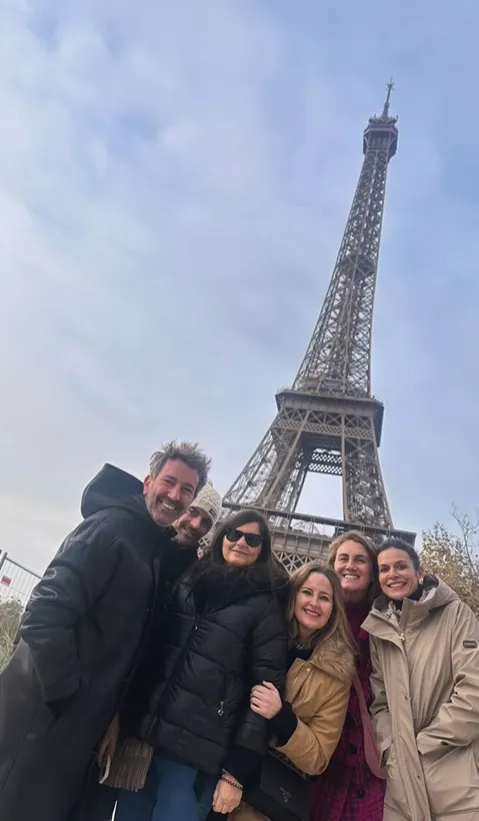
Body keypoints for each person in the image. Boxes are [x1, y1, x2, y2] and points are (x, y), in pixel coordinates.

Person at [0, 441, 211, 821]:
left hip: (73, 724)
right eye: (169, 482)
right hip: (46, 715)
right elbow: (45, 612)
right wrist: (71, 700)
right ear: (148, 482)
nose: (175, 495)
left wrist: (106, 715)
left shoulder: (147, 544)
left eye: (187, 490)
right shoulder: (111, 528)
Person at [109, 510, 289, 821]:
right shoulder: (190, 582)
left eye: (253, 538)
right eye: (234, 533)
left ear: (263, 548)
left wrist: (236, 772)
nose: (241, 542)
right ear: (221, 537)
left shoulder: (265, 606)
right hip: (144, 743)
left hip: (194, 761)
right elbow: (154, 652)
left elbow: (265, 692)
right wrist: (122, 718)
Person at [363, 538, 479, 821]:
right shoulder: (378, 630)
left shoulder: (455, 614)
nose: (393, 574)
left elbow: (474, 691)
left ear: (419, 572)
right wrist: (392, 748)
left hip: (456, 781)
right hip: (401, 788)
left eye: (401, 566)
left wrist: (421, 745)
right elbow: (380, 702)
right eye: (384, 568)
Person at [232, 562, 355, 821]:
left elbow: (319, 757)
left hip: (259, 795)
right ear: (294, 592)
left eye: (324, 598)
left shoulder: (337, 676)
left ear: (334, 609)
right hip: (217, 762)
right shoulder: (259, 632)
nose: (314, 603)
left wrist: (283, 719)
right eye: (307, 592)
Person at [311, 530, 386, 821]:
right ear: (332, 566)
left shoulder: (388, 621)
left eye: (360, 560)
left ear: (373, 572)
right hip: (317, 749)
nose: (350, 565)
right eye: (343, 558)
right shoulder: (312, 614)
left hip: (365, 759)